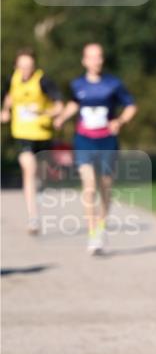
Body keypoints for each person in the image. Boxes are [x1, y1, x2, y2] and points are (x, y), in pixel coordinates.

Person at [53, 43, 137, 254]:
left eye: (99, 56)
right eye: (91, 57)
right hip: (84, 140)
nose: (95, 61)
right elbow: (74, 103)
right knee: (89, 186)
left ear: (102, 59)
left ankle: (101, 225)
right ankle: (92, 233)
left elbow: (131, 105)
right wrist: (62, 117)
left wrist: (120, 121)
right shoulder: (77, 84)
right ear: (84, 61)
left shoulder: (113, 84)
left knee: (105, 186)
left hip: (107, 141)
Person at [1, 48, 63, 233]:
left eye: (28, 66)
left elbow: (59, 106)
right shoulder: (12, 79)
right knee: (29, 169)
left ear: (34, 66)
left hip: (42, 135)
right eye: (21, 67)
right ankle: (33, 218)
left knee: (40, 174)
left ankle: (41, 188)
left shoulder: (44, 81)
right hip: (21, 133)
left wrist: (45, 112)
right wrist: (5, 110)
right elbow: (10, 96)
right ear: (16, 66)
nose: (25, 70)